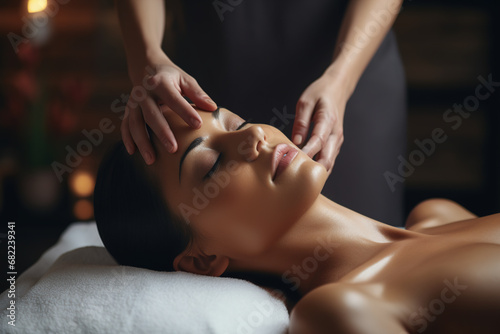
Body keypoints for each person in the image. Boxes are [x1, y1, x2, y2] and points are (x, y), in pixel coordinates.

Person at [94, 106, 500, 333]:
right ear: (201, 260)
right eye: (213, 163)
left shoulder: (436, 213)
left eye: (233, 122)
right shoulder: (339, 310)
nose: (252, 136)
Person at [115, 0, 407, 226]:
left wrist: (341, 79)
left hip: (349, 69)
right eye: (213, 163)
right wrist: (147, 59)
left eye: (239, 125)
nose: (255, 132)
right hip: (207, 76)